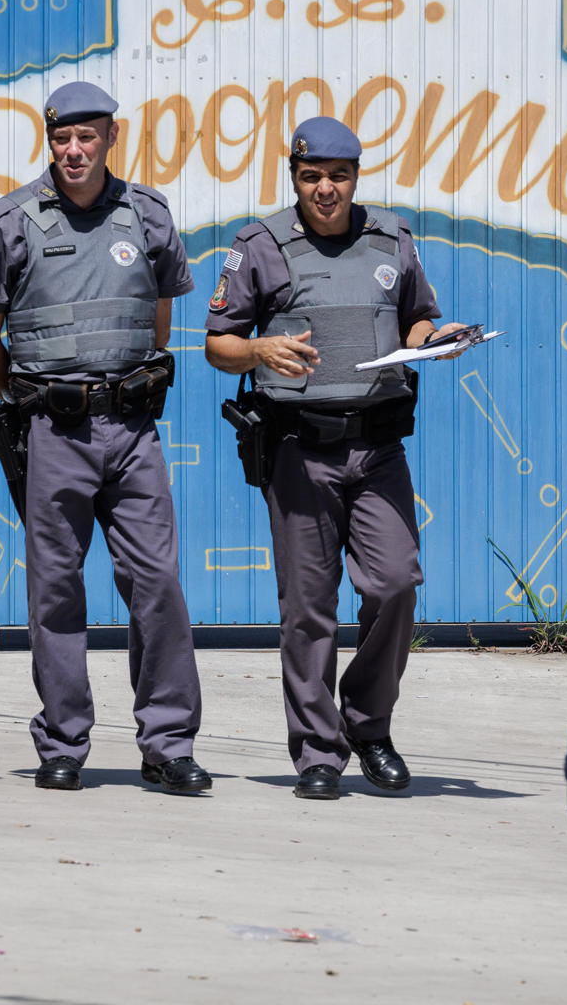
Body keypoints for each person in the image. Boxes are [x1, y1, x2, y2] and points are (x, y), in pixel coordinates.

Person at [202, 116, 468, 801]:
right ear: (294, 177)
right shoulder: (261, 245)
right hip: (299, 449)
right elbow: (218, 343)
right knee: (309, 608)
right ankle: (320, 752)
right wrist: (260, 350)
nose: (326, 189)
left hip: (378, 447)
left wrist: (432, 340)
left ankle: (368, 724)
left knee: (395, 584)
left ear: (356, 176)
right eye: (312, 176)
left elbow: (416, 316)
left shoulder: (391, 240)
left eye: (339, 175)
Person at [0, 80, 210, 796]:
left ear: (111, 137)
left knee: (157, 584)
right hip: (51, 430)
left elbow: (159, 327)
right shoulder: (8, 222)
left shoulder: (149, 216)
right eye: (61, 138)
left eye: (87, 136)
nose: (74, 150)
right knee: (55, 592)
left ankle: (167, 743)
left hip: (132, 429)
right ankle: (63, 743)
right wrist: (39, 399)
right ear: (50, 140)